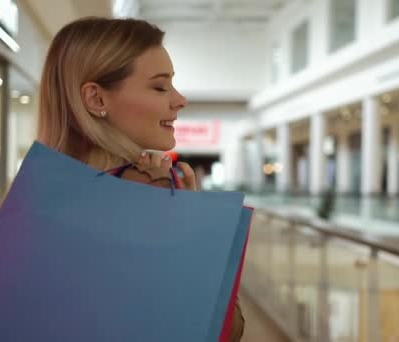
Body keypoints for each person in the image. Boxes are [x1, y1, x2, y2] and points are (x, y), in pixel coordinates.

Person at [37, 17, 244, 340]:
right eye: (160, 86)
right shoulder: (143, 190)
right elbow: (216, 327)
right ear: (96, 99)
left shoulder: (36, 195)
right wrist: (190, 228)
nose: (180, 100)